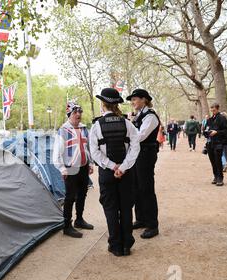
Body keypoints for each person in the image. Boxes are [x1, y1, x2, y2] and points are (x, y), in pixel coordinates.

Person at [90, 88, 140, 256]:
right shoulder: (127, 123)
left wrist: (112, 166)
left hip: (107, 173)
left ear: (103, 104)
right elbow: (135, 147)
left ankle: (115, 245)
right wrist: (123, 167)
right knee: (126, 207)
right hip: (126, 173)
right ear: (116, 104)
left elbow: (94, 152)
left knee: (111, 208)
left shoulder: (96, 125)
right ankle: (127, 244)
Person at [53, 102, 94, 238]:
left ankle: (79, 220)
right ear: (69, 114)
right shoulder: (63, 130)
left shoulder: (84, 129)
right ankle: (67, 226)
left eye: (80, 112)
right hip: (70, 168)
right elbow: (56, 153)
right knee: (70, 197)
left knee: (82, 193)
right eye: (75, 112)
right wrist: (62, 168)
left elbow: (87, 147)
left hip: (83, 166)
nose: (78, 114)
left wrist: (90, 163)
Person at [128, 89, 161, 239]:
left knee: (146, 188)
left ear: (144, 100)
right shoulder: (140, 115)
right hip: (138, 155)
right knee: (136, 188)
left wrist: (129, 126)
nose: (132, 102)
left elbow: (140, 136)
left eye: (134, 99)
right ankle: (141, 219)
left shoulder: (151, 117)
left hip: (146, 155)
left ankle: (152, 225)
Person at [204, 102, 227, 186]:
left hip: (219, 143)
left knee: (218, 161)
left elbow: (226, 131)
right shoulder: (209, 120)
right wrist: (206, 132)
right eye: (211, 110)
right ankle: (215, 176)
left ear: (217, 109)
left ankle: (220, 178)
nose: (212, 111)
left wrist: (217, 132)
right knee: (213, 161)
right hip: (210, 143)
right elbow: (205, 130)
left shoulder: (222, 118)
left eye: (214, 110)